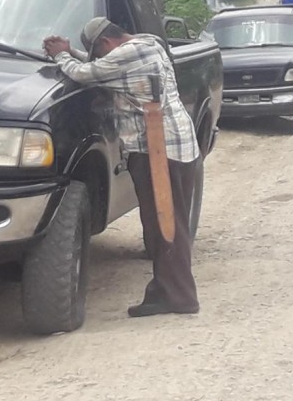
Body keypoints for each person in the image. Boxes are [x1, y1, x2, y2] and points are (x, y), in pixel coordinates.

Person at [43, 17, 200, 317]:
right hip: (173, 147)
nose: (101, 58)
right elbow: (103, 66)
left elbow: (86, 73)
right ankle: (165, 290)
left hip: (159, 150)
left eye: (99, 52)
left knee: (167, 224)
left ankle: (180, 297)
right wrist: (73, 52)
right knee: (163, 223)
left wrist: (62, 54)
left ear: (105, 44)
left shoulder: (128, 55)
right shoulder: (146, 44)